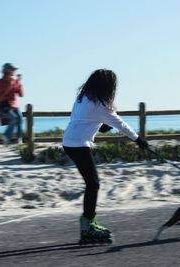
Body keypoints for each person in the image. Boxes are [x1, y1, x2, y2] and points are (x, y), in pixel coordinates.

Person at [62, 69, 149, 244]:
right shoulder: (99, 105)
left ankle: (89, 222)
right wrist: (139, 140)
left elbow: (82, 118)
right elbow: (121, 124)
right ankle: (87, 226)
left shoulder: (83, 98)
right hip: (78, 144)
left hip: (70, 142)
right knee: (93, 184)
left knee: (92, 183)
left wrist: (101, 126)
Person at [0, 63, 24, 144]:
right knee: (14, 118)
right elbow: (2, 96)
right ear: (7, 70)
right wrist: (12, 84)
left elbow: (21, 95)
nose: (14, 71)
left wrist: (19, 84)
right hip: (4, 104)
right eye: (13, 69)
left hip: (15, 105)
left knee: (20, 118)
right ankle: (6, 136)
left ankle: (19, 138)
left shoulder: (14, 81)